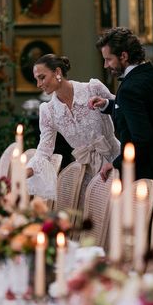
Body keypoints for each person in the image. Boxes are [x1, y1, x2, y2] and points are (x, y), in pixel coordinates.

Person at [89, 27, 153, 209]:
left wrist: (114, 164)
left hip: (144, 174)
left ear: (123, 56)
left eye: (108, 59)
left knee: (142, 233)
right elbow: (146, 113)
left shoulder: (130, 88)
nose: (106, 65)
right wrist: (108, 104)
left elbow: (141, 137)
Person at [26, 54, 120, 201]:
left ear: (57, 72)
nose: (38, 84)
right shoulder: (48, 111)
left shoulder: (93, 88)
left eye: (42, 77)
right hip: (86, 176)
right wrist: (27, 171)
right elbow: (44, 149)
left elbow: (123, 109)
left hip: (117, 162)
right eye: (36, 79)